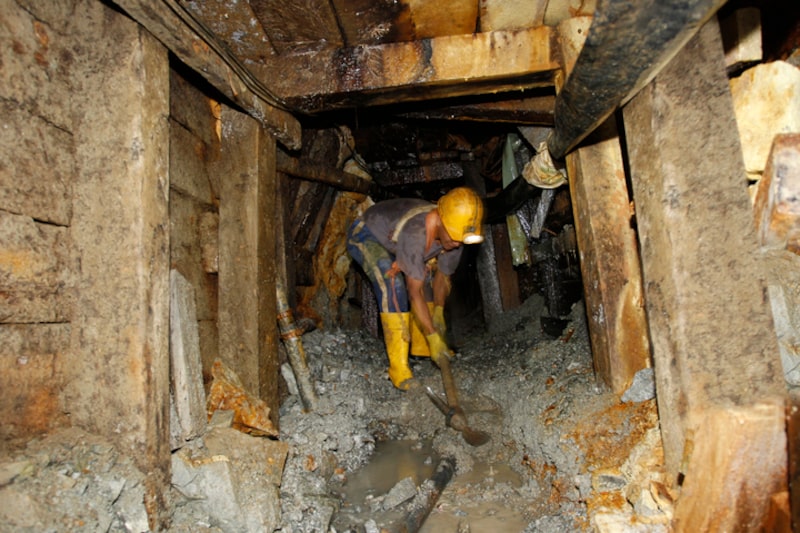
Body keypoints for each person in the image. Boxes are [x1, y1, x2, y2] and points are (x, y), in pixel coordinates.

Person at [347, 187, 485, 390]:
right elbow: (415, 292)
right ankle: (399, 369)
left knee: (426, 274)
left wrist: (438, 311)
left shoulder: (456, 237)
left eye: (460, 240)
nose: (456, 244)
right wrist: (433, 335)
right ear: (439, 219)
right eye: (453, 237)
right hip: (366, 233)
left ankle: (422, 348)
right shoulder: (417, 233)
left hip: (396, 242)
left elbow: (442, 278)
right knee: (393, 284)